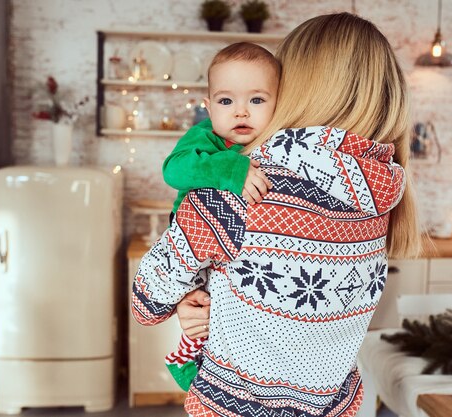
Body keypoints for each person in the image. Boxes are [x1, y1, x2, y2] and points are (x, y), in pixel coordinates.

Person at [131, 12, 421, 417]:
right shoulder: (382, 194)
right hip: (329, 406)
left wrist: (184, 296)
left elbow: (145, 301)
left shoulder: (247, 192)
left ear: (296, 88)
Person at [161, 42, 279, 390]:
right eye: (226, 101)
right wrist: (231, 169)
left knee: (215, 313)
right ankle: (191, 363)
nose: (240, 112)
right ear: (209, 106)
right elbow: (173, 170)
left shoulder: (274, 142)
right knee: (197, 305)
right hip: (190, 244)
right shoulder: (206, 138)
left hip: (240, 260)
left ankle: (202, 364)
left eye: (256, 100)